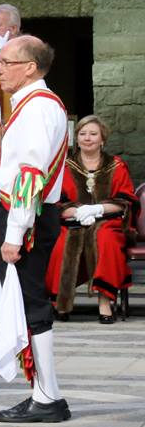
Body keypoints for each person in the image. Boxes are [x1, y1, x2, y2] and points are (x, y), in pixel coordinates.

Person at [0, 35, 70, 425]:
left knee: (31, 303)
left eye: (6, 61)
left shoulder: (38, 107)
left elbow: (30, 176)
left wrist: (14, 233)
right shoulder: (32, 104)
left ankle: (47, 395)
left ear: (30, 68)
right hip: (27, 214)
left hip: (28, 215)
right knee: (25, 303)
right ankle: (42, 391)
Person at [47, 116, 139, 323]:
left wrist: (97, 209)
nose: (87, 138)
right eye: (83, 134)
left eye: (93, 134)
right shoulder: (65, 167)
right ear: (76, 138)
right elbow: (55, 203)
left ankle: (104, 301)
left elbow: (126, 201)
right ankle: (61, 302)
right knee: (62, 243)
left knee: (105, 239)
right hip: (72, 223)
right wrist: (78, 212)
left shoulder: (116, 165)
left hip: (109, 222)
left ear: (102, 139)